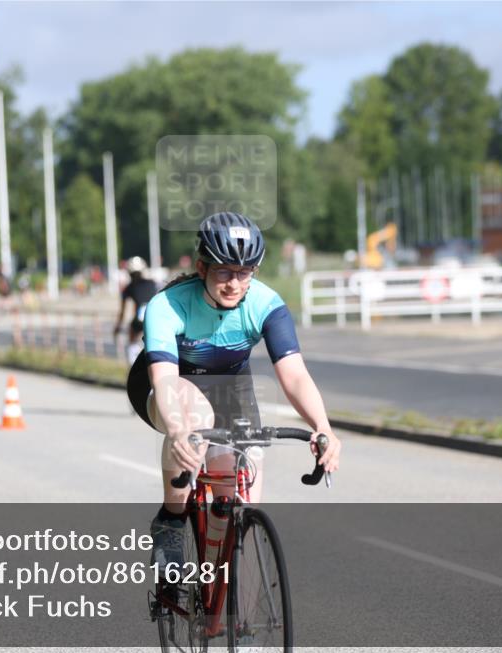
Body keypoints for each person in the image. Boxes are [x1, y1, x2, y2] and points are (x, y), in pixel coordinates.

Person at [126, 211, 342, 578]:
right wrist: (178, 430)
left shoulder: (266, 304)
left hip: (230, 388)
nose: (234, 284)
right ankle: (171, 521)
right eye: (224, 271)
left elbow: (293, 375)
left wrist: (323, 427)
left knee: (242, 506)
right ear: (202, 267)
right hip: (167, 384)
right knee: (194, 419)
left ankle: (236, 621)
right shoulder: (168, 305)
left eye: (244, 273)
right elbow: (164, 381)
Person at [114, 256, 159, 364]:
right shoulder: (152, 283)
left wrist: (118, 327)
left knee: (132, 339)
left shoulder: (129, 288)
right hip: (156, 316)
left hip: (140, 318)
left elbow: (123, 312)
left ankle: (133, 364)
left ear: (129, 272)